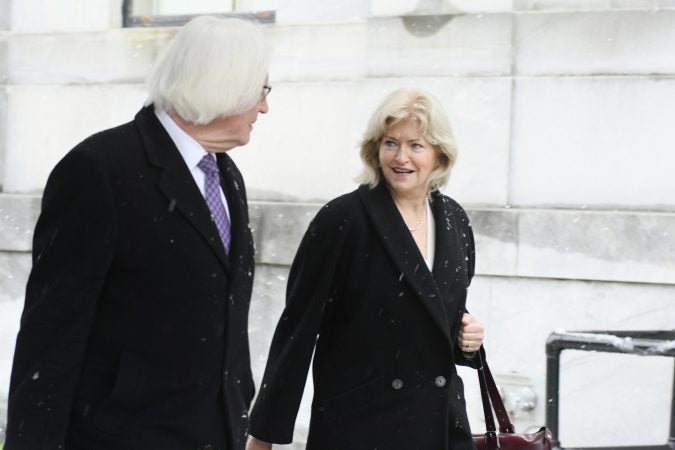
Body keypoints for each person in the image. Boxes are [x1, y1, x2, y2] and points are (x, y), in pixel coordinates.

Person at [5, 15, 271, 450]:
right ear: (226, 86)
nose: (264, 108)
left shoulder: (225, 175)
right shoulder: (99, 170)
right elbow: (52, 332)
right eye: (261, 91)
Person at [247, 88, 484, 450]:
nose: (401, 157)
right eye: (391, 143)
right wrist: (263, 437)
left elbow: (435, 317)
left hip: (441, 427)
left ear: (439, 154)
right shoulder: (342, 220)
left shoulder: (454, 220)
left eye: (416, 145)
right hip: (363, 426)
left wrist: (467, 339)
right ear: (375, 149)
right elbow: (297, 330)